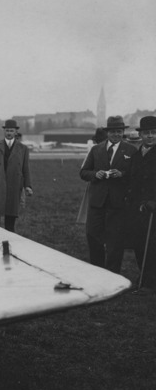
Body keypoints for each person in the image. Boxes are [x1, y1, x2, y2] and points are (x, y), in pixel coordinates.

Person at [79, 115, 136, 273]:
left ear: (123, 132)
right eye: (113, 132)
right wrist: (95, 175)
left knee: (115, 240)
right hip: (97, 202)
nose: (116, 135)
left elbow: (135, 175)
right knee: (93, 235)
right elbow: (83, 172)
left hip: (118, 203)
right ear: (107, 133)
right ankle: (98, 271)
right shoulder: (96, 149)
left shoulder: (131, 150)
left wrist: (122, 174)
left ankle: (113, 273)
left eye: (119, 131)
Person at [0, 119, 33, 232]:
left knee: (10, 220)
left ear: (16, 132)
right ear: (4, 131)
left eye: (11, 131)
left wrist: (28, 186)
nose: (9, 133)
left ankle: (9, 241)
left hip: (14, 185)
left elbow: (25, 169)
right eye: (7, 130)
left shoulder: (23, 149)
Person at [126, 115, 156, 289]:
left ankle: (151, 280)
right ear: (141, 135)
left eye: (153, 132)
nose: (150, 136)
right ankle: (145, 276)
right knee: (139, 243)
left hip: (153, 208)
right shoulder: (137, 155)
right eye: (146, 133)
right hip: (137, 208)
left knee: (152, 244)